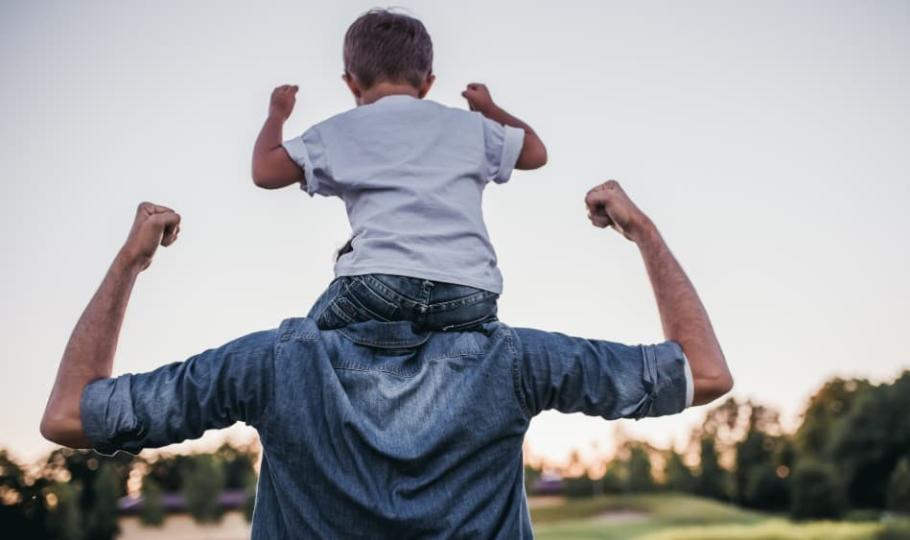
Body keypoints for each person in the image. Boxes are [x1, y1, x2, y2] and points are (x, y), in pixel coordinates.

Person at [40, 181, 733, 538]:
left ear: (346, 266)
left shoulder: (273, 365)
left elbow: (71, 414)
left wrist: (131, 261)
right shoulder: (515, 361)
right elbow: (703, 373)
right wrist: (641, 232)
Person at [251, 9, 548, 333]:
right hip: (471, 292)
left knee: (304, 343)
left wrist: (277, 114)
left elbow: (265, 171)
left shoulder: (340, 131)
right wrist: (489, 109)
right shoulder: (470, 127)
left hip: (379, 285)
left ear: (351, 82)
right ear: (428, 82)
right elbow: (536, 152)